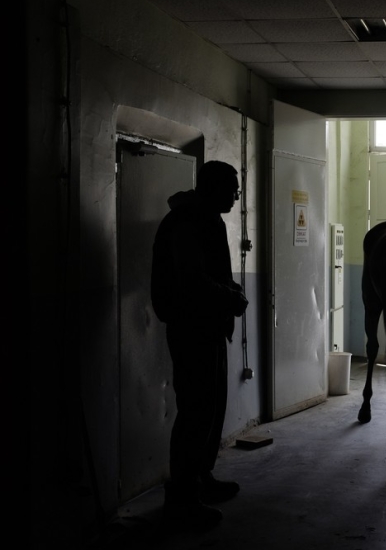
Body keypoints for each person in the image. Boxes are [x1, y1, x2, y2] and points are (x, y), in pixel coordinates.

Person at [151, 160, 249, 529]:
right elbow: (192, 280)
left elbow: (208, 273)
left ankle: (200, 478)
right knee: (195, 412)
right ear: (213, 188)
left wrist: (229, 290)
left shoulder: (204, 217)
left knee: (209, 409)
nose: (236, 197)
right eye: (233, 190)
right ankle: (182, 499)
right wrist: (229, 297)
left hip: (208, 327)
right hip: (192, 329)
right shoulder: (188, 221)